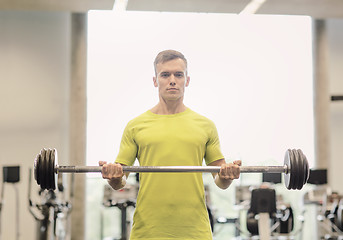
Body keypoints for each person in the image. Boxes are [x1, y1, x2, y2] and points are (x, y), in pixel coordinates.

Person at [99, 49, 241, 240]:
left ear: (187, 80)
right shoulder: (136, 126)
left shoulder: (205, 126)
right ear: (155, 81)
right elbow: (119, 182)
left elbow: (220, 180)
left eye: (178, 74)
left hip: (195, 231)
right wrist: (112, 175)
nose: (172, 80)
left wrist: (228, 174)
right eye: (165, 75)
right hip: (147, 231)